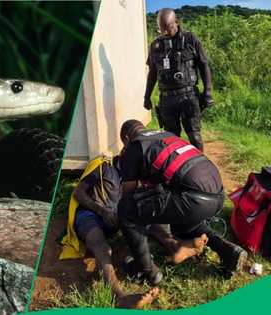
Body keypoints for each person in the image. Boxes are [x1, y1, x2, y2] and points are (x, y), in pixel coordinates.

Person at [62, 156, 206, 308]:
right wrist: (103, 211)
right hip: (90, 215)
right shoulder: (102, 166)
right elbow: (78, 193)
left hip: (115, 218)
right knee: (102, 247)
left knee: (145, 219)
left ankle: (175, 246)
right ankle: (118, 296)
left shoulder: (132, 176)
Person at [117, 119, 247, 286]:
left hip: (193, 197)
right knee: (182, 220)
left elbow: (128, 193)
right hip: (217, 195)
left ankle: (146, 270)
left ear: (127, 138)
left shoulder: (134, 147)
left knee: (127, 209)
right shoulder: (166, 135)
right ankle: (226, 250)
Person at [144, 8, 213, 152]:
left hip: (188, 96)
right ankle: (176, 169)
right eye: (162, 29)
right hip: (167, 100)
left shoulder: (190, 39)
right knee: (171, 138)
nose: (166, 32)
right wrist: (147, 96)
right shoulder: (155, 45)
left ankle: (200, 167)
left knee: (194, 136)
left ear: (177, 22)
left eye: (169, 28)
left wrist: (207, 92)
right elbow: (152, 73)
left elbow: (204, 65)